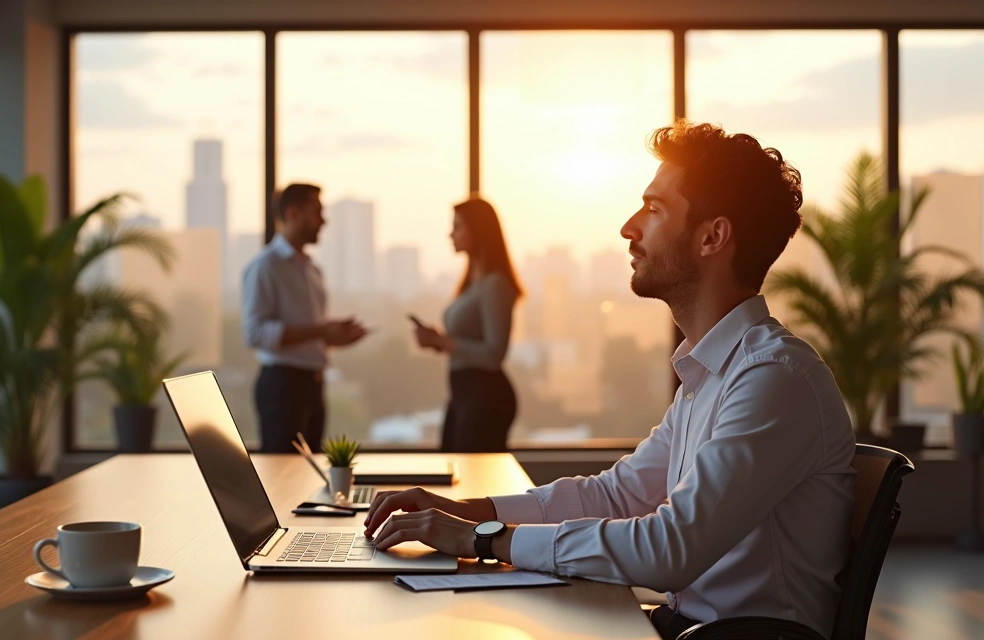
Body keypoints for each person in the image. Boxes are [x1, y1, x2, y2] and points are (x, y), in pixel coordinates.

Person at [363, 121, 856, 640]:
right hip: (680, 628)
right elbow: (617, 496)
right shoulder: (712, 374)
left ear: (713, 236)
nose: (629, 227)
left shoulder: (772, 379)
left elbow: (669, 550)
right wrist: (465, 511)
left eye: (654, 209)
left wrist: (484, 538)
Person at [241, 183, 367, 453]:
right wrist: (322, 332)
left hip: (313, 385)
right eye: (317, 212)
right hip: (283, 387)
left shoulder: (312, 269)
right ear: (294, 213)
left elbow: (311, 332)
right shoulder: (266, 266)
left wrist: (335, 337)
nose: (324, 220)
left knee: (308, 477)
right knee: (282, 476)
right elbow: (254, 333)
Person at [413, 196, 522, 452]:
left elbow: (494, 354)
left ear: (478, 231)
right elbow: (469, 344)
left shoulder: (495, 285)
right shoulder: (473, 283)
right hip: (464, 394)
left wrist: (442, 342)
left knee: (473, 479)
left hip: (485, 397)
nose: (451, 234)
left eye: (457, 227)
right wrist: (438, 342)